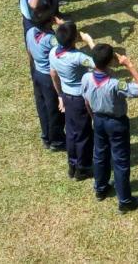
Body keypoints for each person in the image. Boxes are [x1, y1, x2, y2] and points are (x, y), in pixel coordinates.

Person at [82, 43, 138, 211]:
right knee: (120, 161)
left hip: (98, 119)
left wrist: (93, 117)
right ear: (112, 61)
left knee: (100, 155)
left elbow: (86, 101)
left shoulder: (86, 78)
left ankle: (100, 188)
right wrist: (129, 65)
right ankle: (125, 201)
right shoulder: (115, 84)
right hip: (116, 123)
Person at [49, 21, 97, 180]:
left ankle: (72, 165)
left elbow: (53, 75)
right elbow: (98, 63)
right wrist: (90, 42)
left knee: (71, 133)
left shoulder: (53, 52)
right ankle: (83, 168)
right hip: (79, 99)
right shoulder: (77, 57)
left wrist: (60, 95)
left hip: (67, 97)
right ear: (73, 39)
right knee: (83, 133)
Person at [26, 5, 66, 151]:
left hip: (37, 73)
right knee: (54, 109)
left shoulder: (30, 32)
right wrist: (63, 26)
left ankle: (46, 136)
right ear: (50, 21)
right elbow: (64, 48)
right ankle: (57, 141)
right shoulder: (51, 39)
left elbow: (29, 52)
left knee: (42, 106)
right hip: (48, 77)